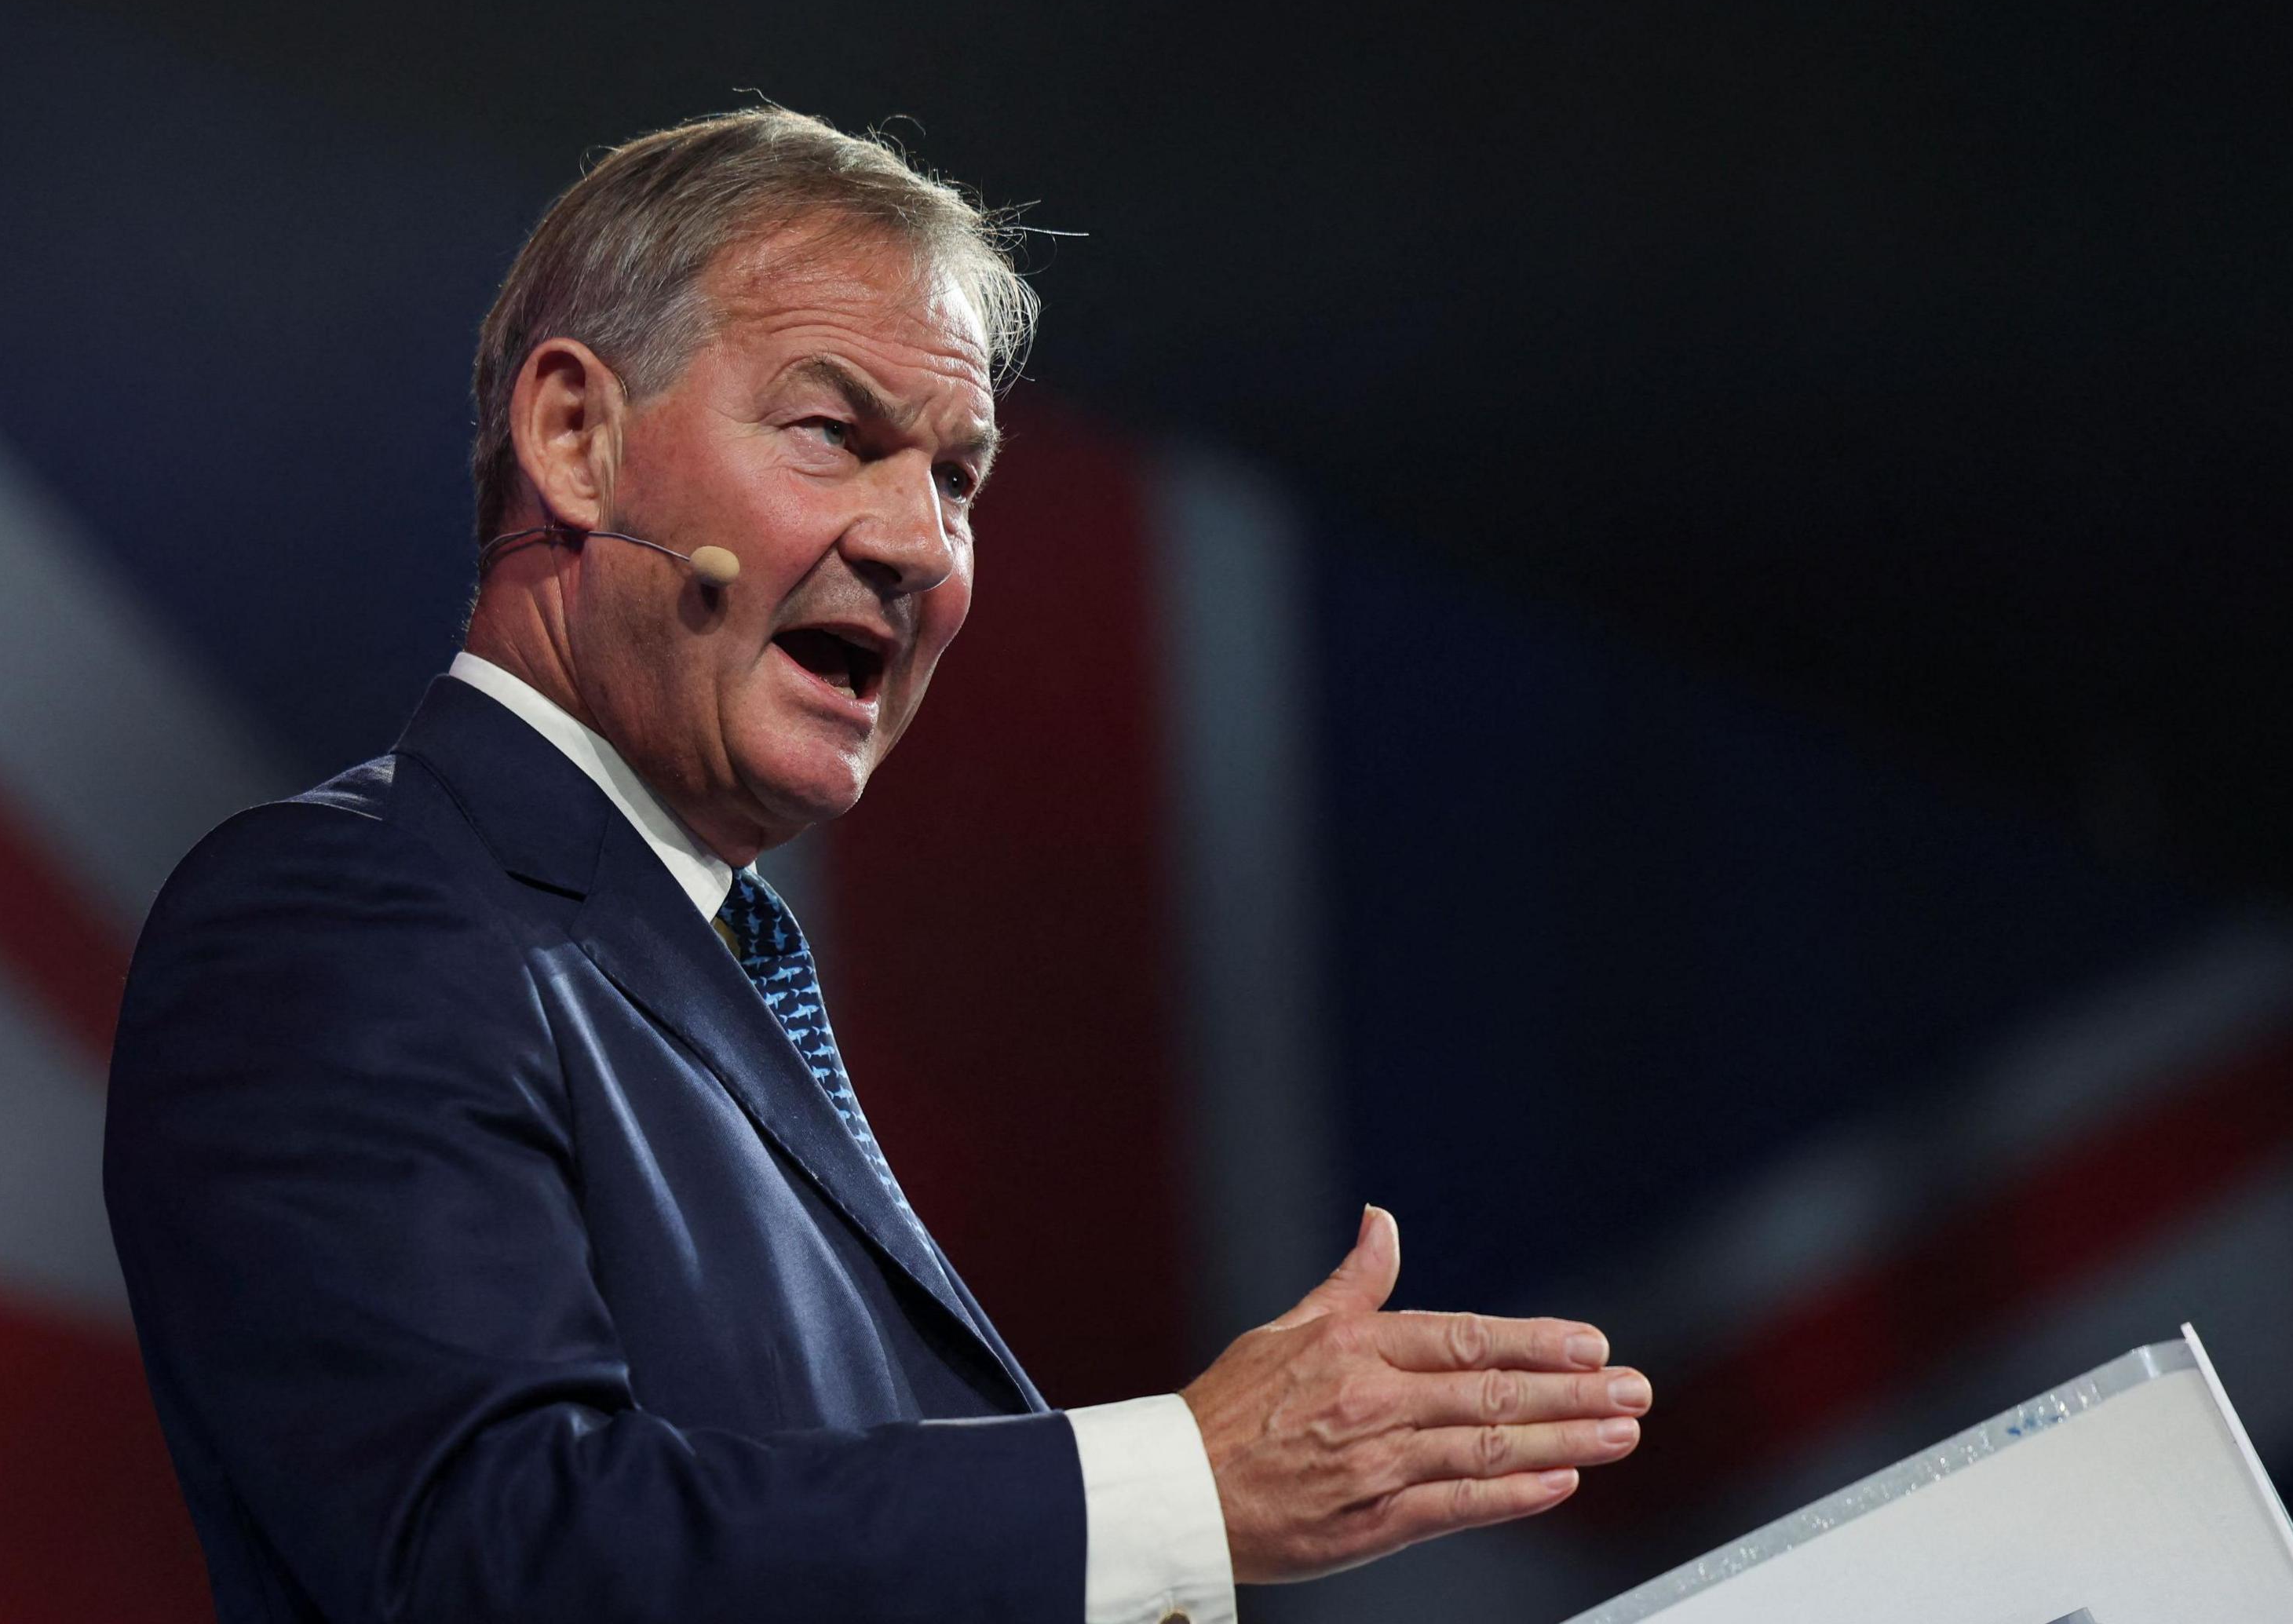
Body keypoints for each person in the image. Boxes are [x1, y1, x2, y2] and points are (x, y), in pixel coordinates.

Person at [104, 106, 1653, 1624]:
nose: (920, 542)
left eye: (960, 477)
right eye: (836, 432)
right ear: (576, 437)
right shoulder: (346, 921)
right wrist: (1182, 1483)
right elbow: (495, 1557)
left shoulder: (697, 961)